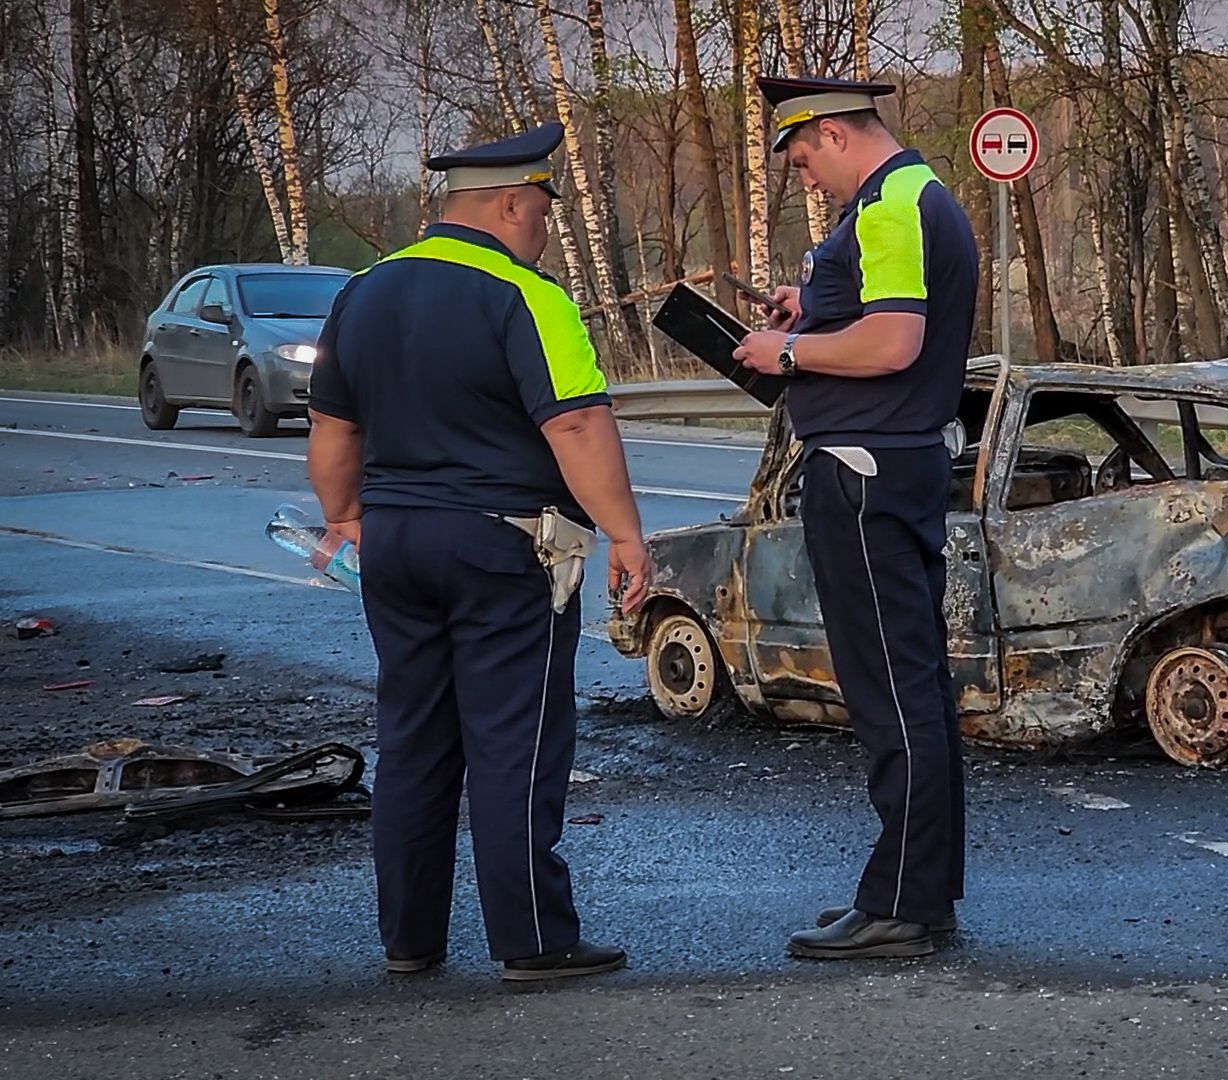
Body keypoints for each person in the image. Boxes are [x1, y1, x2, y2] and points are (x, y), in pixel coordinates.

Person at [306, 121, 651, 982]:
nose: (544, 233)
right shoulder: (526, 296)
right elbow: (576, 423)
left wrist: (343, 517)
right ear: (510, 205)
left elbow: (333, 427)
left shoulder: (362, 291)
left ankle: (409, 939)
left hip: (394, 542)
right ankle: (534, 939)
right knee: (514, 740)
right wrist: (625, 534)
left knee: (412, 740)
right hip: (504, 545)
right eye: (542, 214)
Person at [733, 75, 980, 960]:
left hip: (867, 471)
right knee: (910, 686)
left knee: (891, 692)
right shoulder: (906, 200)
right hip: (894, 464)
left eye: (804, 158)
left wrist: (786, 351)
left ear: (835, 133)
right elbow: (879, 312)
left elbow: (894, 340)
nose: (805, 176)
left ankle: (903, 905)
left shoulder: (889, 205)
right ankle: (914, 893)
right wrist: (813, 307)